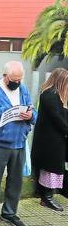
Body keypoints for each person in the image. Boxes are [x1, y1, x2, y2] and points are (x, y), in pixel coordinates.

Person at [0, 61, 37, 226]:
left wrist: (30, 116)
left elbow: (33, 112)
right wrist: (5, 110)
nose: (17, 83)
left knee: (16, 181)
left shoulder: (23, 89)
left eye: (20, 79)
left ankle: (9, 212)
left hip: (19, 142)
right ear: (5, 76)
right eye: (14, 80)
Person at [31, 68, 68, 211]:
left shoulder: (58, 95)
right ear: (60, 81)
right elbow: (57, 118)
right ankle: (46, 197)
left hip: (57, 140)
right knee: (49, 169)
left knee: (54, 168)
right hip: (49, 141)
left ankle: (49, 195)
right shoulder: (49, 95)